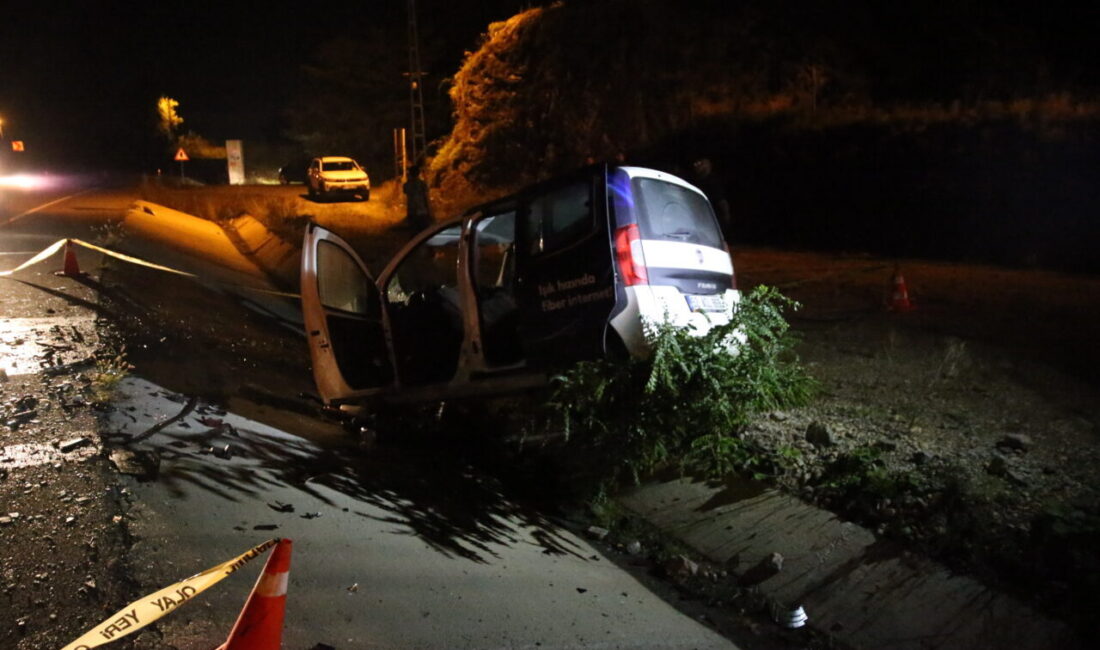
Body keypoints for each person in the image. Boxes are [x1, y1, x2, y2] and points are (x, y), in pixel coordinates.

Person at [691, 157, 733, 243]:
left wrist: (726, 215)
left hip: (712, 217)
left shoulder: (712, 181)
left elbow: (721, 201)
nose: (696, 166)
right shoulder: (696, 181)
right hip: (699, 217)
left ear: (707, 166)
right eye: (696, 164)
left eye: (700, 164)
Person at [402, 164, 433, 231]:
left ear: (410, 173)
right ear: (418, 173)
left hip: (411, 211)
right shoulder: (422, 184)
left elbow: (405, 192)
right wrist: (430, 211)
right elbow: (426, 198)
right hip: (422, 211)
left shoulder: (406, 185)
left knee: (413, 232)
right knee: (424, 232)